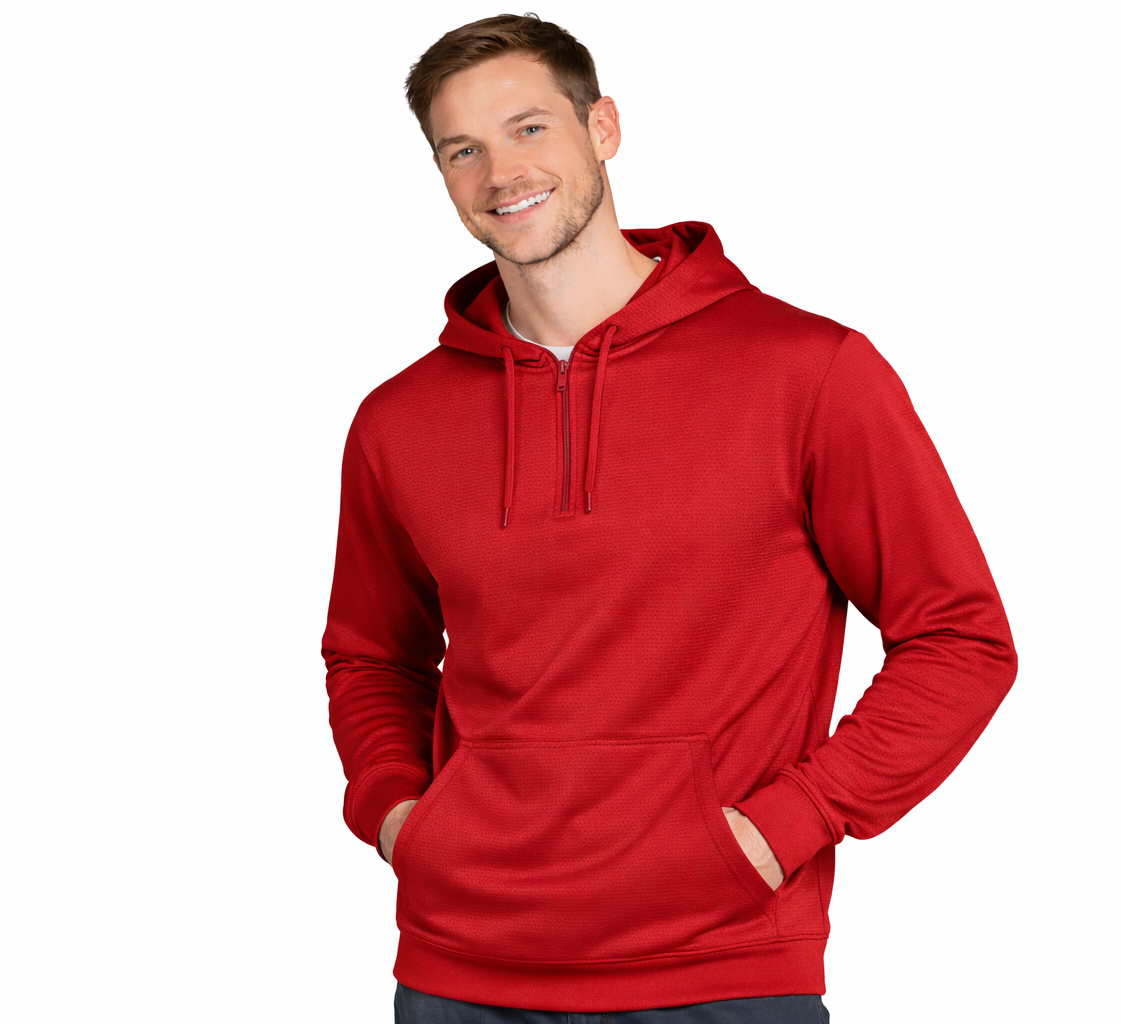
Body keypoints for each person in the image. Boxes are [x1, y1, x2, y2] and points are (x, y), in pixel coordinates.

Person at [320, 13, 1018, 1023]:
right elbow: (371, 656)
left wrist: (787, 826)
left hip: (718, 968)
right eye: (460, 150)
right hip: (458, 971)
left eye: (528, 129)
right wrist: (398, 816)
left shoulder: (807, 372)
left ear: (603, 127)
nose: (501, 173)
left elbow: (961, 638)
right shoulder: (399, 420)